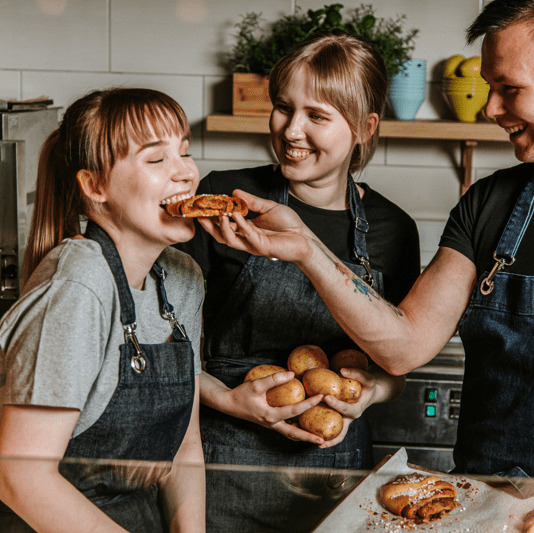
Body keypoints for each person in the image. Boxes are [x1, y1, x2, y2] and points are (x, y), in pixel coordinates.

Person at [202, 0, 534, 526]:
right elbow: (403, 344)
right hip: (474, 515)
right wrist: (305, 249)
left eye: (509, 88)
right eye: (490, 88)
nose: (490, 108)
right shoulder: (492, 202)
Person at [173, 30, 420, 532]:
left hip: (340, 479)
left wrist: (373, 392)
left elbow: (397, 366)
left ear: (365, 128)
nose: (291, 130)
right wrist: (225, 399)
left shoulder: (394, 230)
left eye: (318, 116)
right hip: (225, 470)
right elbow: (164, 346)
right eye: (284, 107)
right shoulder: (226, 200)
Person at [0, 88, 205, 533]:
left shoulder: (183, 278)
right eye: (156, 159)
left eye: (184, 152)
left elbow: (185, 448)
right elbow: (21, 478)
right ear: (95, 186)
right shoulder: (78, 286)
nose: (186, 173)